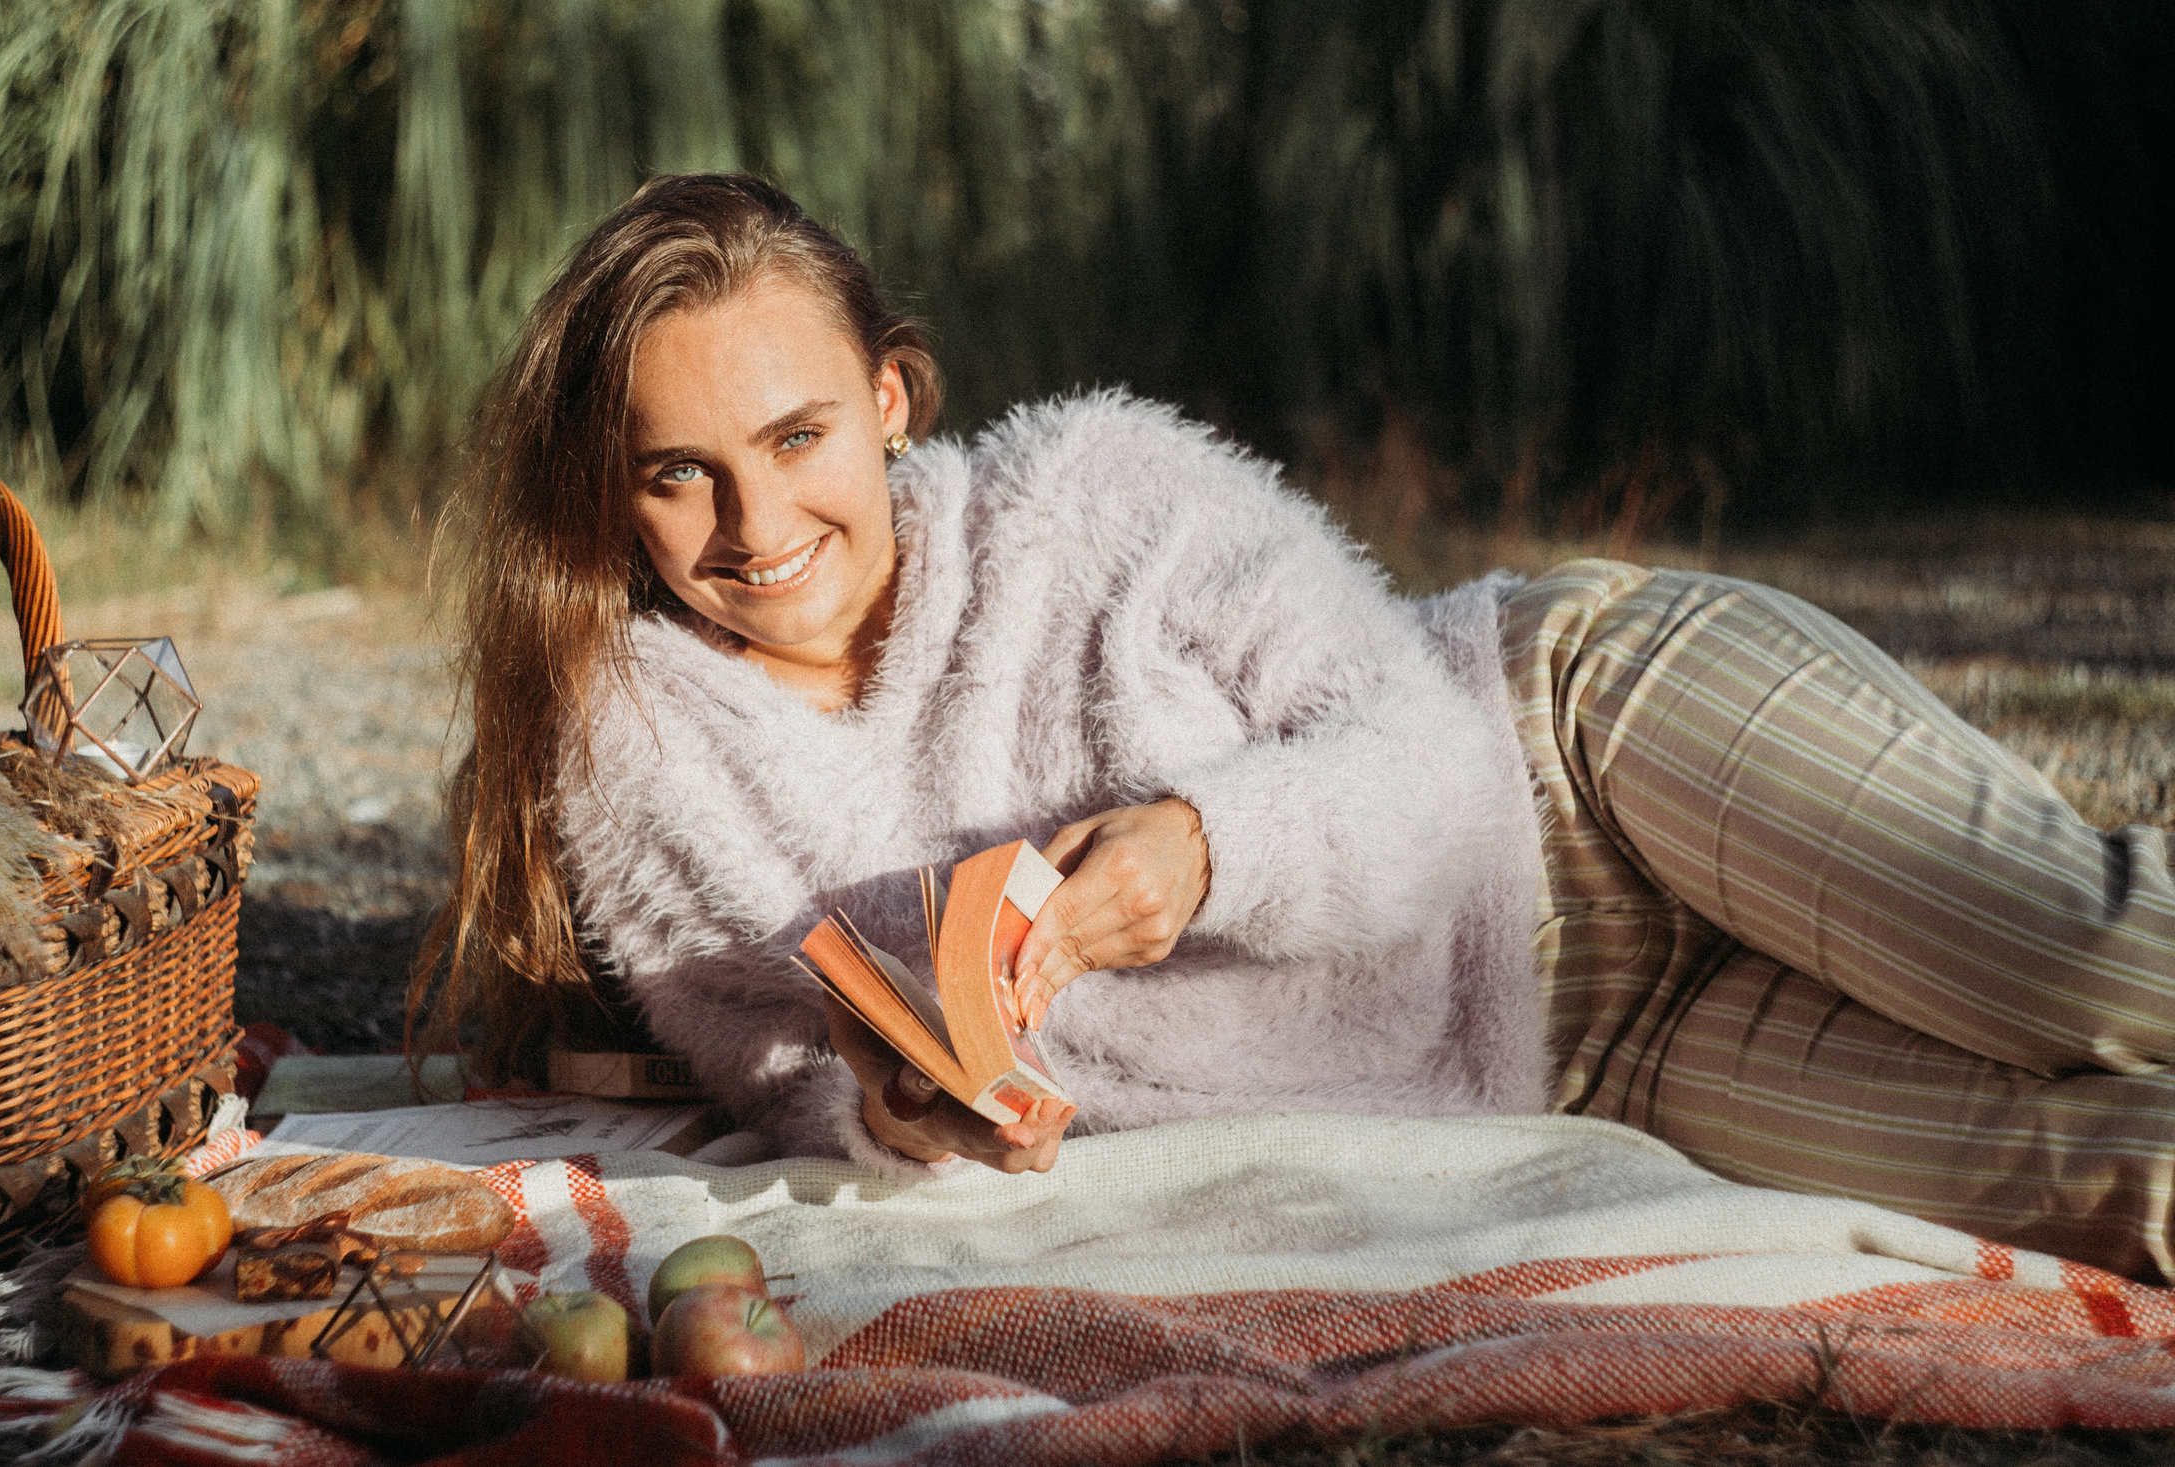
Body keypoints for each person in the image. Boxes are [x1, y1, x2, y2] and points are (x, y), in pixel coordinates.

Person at [411, 172, 2175, 1281]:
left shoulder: (1093, 492)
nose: (755, 524)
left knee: (2098, 964)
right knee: (2106, 1181)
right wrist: (892, 1113)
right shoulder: (636, 747)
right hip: (1559, 1060)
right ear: (614, 497)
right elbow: (773, 1062)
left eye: (798, 438)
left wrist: (1206, 848)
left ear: (890, 396)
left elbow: (1421, 771)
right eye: (678, 475)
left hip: (1576, 765)